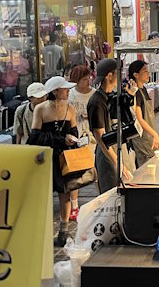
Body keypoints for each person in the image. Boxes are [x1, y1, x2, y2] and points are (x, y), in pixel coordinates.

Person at [29, 76, 80, 245]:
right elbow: (35, 136)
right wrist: (60, 139)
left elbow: (74, 132)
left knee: (64, 193)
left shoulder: (70, 108)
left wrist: (73, 139)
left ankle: (63, 231)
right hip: (46, 157)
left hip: (64, 158)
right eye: (65, 88)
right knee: (44, 194)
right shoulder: (41, 109)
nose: (68, 91)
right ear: (55, 91)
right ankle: (41, 231)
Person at [88, 58, 137, 193]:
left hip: (119, 150)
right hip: (107, 155)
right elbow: (100, 138)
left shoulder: (112, 96)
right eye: (119, 73)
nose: (121, 77)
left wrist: (130, 94)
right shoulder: (96, 102)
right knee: (112, 196)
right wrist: (117, 162)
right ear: (110, 76)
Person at [67, 65, 95, 222]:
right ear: (76, 81)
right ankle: (74, 206)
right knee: (75, 172)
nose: (88, 81)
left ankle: (102, 200)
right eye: (84, 79)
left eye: (89, 78)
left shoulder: (94, 94)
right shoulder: (70, 95)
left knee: (97, 169)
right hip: (76, 136)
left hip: (92, 136)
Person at [129, 60, 159, 169]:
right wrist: (154, 134)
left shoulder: (143, 89)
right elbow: (139, 119)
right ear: (136, 75)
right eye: (145, 71)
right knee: (145, 170)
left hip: (149, 136)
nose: (148, 73)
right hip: (143, 139)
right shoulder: (136, 92)